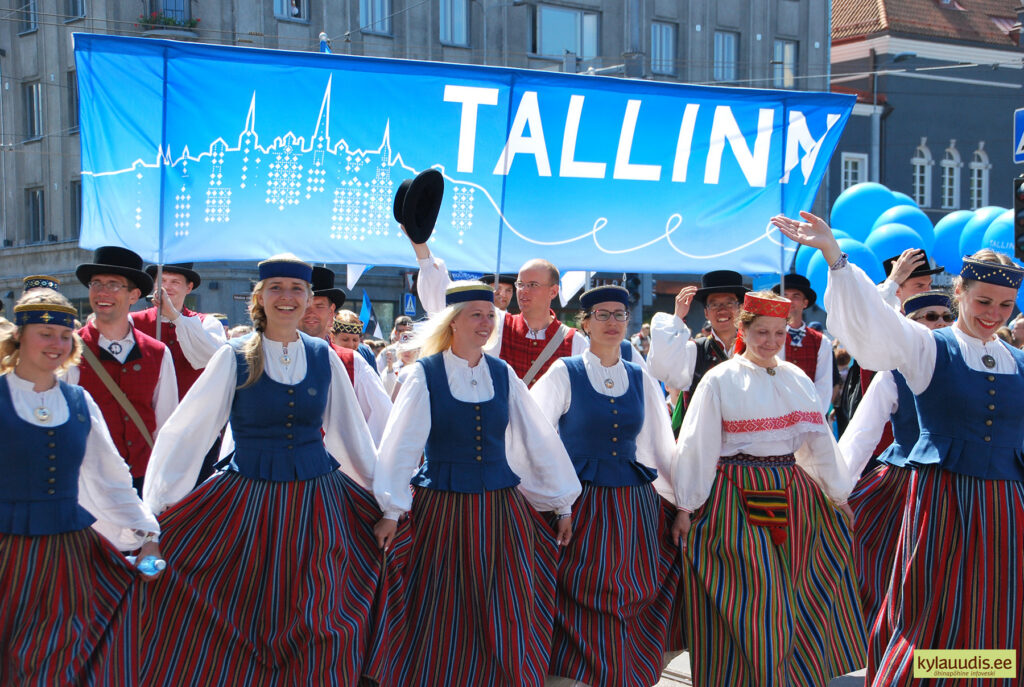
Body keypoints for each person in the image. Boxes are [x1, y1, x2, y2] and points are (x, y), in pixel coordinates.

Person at [773, 210, 1024, 686]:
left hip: (1006, 508)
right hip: (943, 504)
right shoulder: (926, 347)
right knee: (930, 613)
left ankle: (986, 678)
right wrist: (835, 257)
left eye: (1005, 305)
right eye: (984, 301)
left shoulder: (1018, 361)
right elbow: (871, 326)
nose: (994, 314)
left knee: (997, 614)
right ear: (960, 293)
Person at [139, 254, 384, 686]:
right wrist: (155, 515)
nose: (286, 297)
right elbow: (186, 434)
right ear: (260, 297)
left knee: (322, 613)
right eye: (276, 288)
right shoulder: (233, 356)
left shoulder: (323, 357)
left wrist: (386, 504)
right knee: (244, 610)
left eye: (296, 289)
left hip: (316, 507)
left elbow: (352, 437)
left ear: (308, 298)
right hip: (247, 507)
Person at [372, 281, 582, 687]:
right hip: (442, 510)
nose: (486, 323)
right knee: (443, 601)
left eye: (489, 315)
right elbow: (401, 445)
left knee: (502, 598)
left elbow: (538, 439)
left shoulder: (502, 374)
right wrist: (391, 511)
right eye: (476, 315)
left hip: (498, 509)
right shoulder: (424, 375)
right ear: (453, 321)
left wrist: (562, 502)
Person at [671, 290, 865, 686]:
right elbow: (697, 445)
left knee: (802, 588)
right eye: (762, 332)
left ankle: (796, 674)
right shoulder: (720, 379)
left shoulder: (795, 377)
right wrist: (687, 506)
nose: (771, 341)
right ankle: (752, 676)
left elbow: (818, 443)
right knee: (755, 597)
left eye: (779, 333)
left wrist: (838, 495)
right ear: (743, 330)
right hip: (735, 495)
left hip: (793, 493)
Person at [0, 289, 162, 685]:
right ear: (19, 336)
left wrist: (148, 537)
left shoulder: (78, 400)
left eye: (64, 335)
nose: (56, 344)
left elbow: (111, 477)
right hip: (7, 553)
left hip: (67, 555)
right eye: (45, 333)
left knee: (58, 654)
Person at [530, 285, 680, 687]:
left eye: (619, 315)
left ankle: (623, 671)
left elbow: (659, 443)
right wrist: (556, 500)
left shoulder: (639, 376)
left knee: (631, 586)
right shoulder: (565, 372)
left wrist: (682, 503)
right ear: (586, 323)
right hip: (581, 503)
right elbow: (535, 437)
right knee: (583, 586)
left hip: (633, 502)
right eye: (602, 315)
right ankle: (582, 672)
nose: (612, 322)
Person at [838, 290, 953, 631]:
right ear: (910, 325)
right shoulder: (893, 373)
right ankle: (889, 643)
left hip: (965, 484)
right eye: (930, 317)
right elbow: (862, 435)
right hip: (906, 486)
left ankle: (959, 655)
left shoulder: (974, 366)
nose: (941, 323)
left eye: (947, 316)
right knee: (895, 571)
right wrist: (837, 490)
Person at [67, 247, 178, 494]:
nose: (102, 292)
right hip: (87, 483)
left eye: (114, 285)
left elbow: (166, 424)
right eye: (96, 283)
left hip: (142, 480)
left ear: (134, 295)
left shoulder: (158, 353)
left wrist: (164, 485)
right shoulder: (69, 350)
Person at [132, 262, 228, 485]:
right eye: (162, 281)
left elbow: (211, 357)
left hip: (196, 434)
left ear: (189, 287)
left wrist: (175, 318)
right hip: (145, 434)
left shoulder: (206, 323)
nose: (167, 287)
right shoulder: (133, 322)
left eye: (175, 282)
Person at [647, 270, 749, 433]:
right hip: (705, 441)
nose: (722, 310)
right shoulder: (694, 350)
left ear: (741, 308)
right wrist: (677, 318)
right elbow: (661, 368)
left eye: (729, 303)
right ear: (706, 313)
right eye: (714, 304)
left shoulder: (753, 349)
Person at [303, 266, 392, 444]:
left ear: (331, 313)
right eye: (305, 304)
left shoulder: (354, 363)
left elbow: (384, 421)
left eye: (319, 306)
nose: (311, 312)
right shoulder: (270, 357)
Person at [771, 274, 833, 414]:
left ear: (805, 303)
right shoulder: (769, 337)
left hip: (809, 416)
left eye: (796, 296)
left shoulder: (822, 341)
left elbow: (823, 386)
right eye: (785, 295)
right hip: (774, 414)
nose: (789, 300)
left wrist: (813, 417)